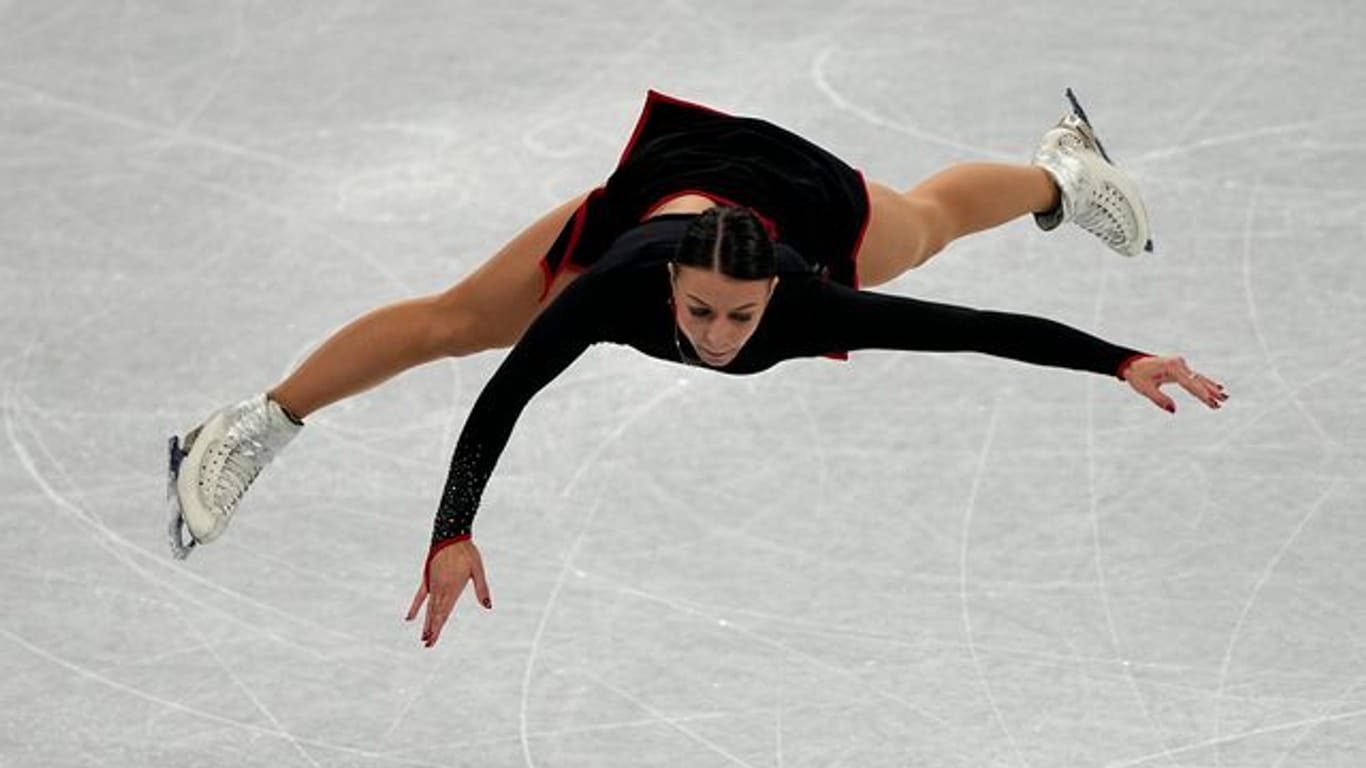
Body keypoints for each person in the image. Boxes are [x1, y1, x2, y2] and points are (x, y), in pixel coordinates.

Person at [166, 89, 1228, 647]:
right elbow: (506, 394)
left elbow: (977, 327)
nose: (718, 335)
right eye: (701, 314)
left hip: (794, 194)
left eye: (739, 317)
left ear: (779, 296)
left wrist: (1119, 358)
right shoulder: (611, 286)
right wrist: (453, 530)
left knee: (932, 225)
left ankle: (1059, 173)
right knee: (458, 322)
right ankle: (251, 425)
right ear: (668, 289)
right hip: (668, 194)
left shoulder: (808, 297)